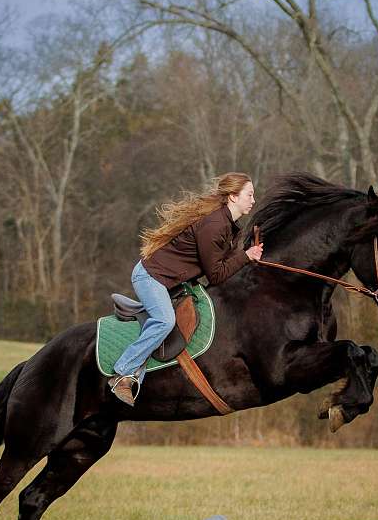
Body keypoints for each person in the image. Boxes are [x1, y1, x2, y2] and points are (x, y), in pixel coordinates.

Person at [108, 172, 263, 406]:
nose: (253, 200)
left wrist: (247, 255)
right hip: (151, 278)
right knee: (164, 321)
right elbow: (217, 275)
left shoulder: (230, 226)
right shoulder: (214, 225)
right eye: (249, 195)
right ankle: (122, 373)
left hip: (171, 280)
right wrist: (246, 256)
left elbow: (226, 265)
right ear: (232, 197)